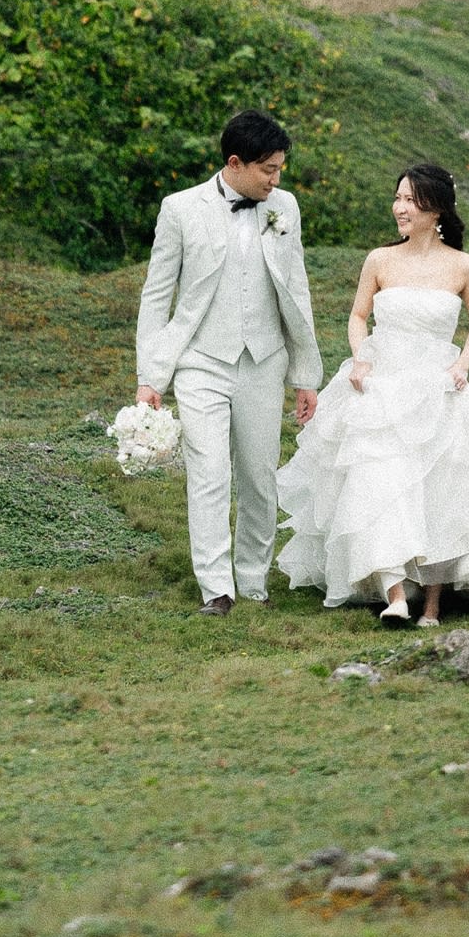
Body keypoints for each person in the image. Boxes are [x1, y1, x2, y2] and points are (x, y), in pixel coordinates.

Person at [276, 162, 469, 624]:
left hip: (436, 383)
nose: (400, 208)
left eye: (411, 200)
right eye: (398, 198)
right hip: (384, 384)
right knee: (377, 480)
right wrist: (361, 358)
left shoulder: (463, 265)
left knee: (442, 486)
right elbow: (358, 316)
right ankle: (395, 592)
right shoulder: (379, 260)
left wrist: (461, 364)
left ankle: (433, 602)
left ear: (436, 209)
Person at [135, 111, 324, 616]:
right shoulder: (179, 209)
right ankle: (216, 588)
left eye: (280, 169)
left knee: (260, 477)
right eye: (268, 169)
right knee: (210, 474)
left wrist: (305, 375)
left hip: (264, 360)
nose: (275, 179)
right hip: (201, 362)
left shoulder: (285, 207)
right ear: (235, 163)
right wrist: (150, 376)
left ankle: (254, 581)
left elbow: (297, 289)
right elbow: (156, 295)